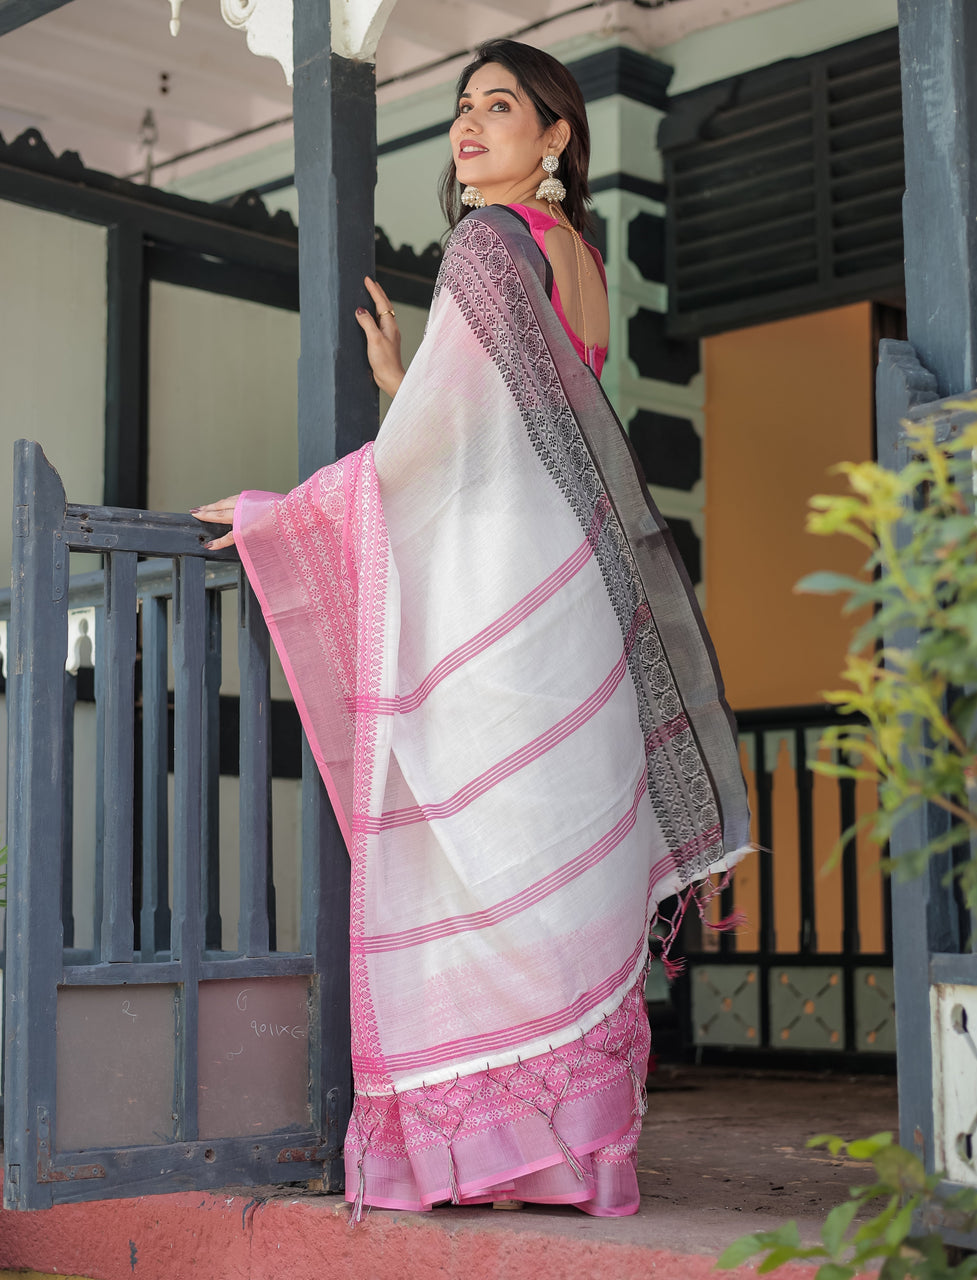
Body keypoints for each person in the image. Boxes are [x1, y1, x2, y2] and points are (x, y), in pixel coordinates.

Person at [193, 39, 750, 1220]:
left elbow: (445, 452)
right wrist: (410, 381)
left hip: (507, 598)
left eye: (500, 106)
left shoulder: (489, 246)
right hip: (574, 601)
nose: (469, 124)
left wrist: (277, 515)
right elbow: (499, 424)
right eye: (461, 107)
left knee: (480, 847)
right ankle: (580, 1156)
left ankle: (485, 1154)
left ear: (556, 137)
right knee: (555, 864)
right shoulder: (576, 257)